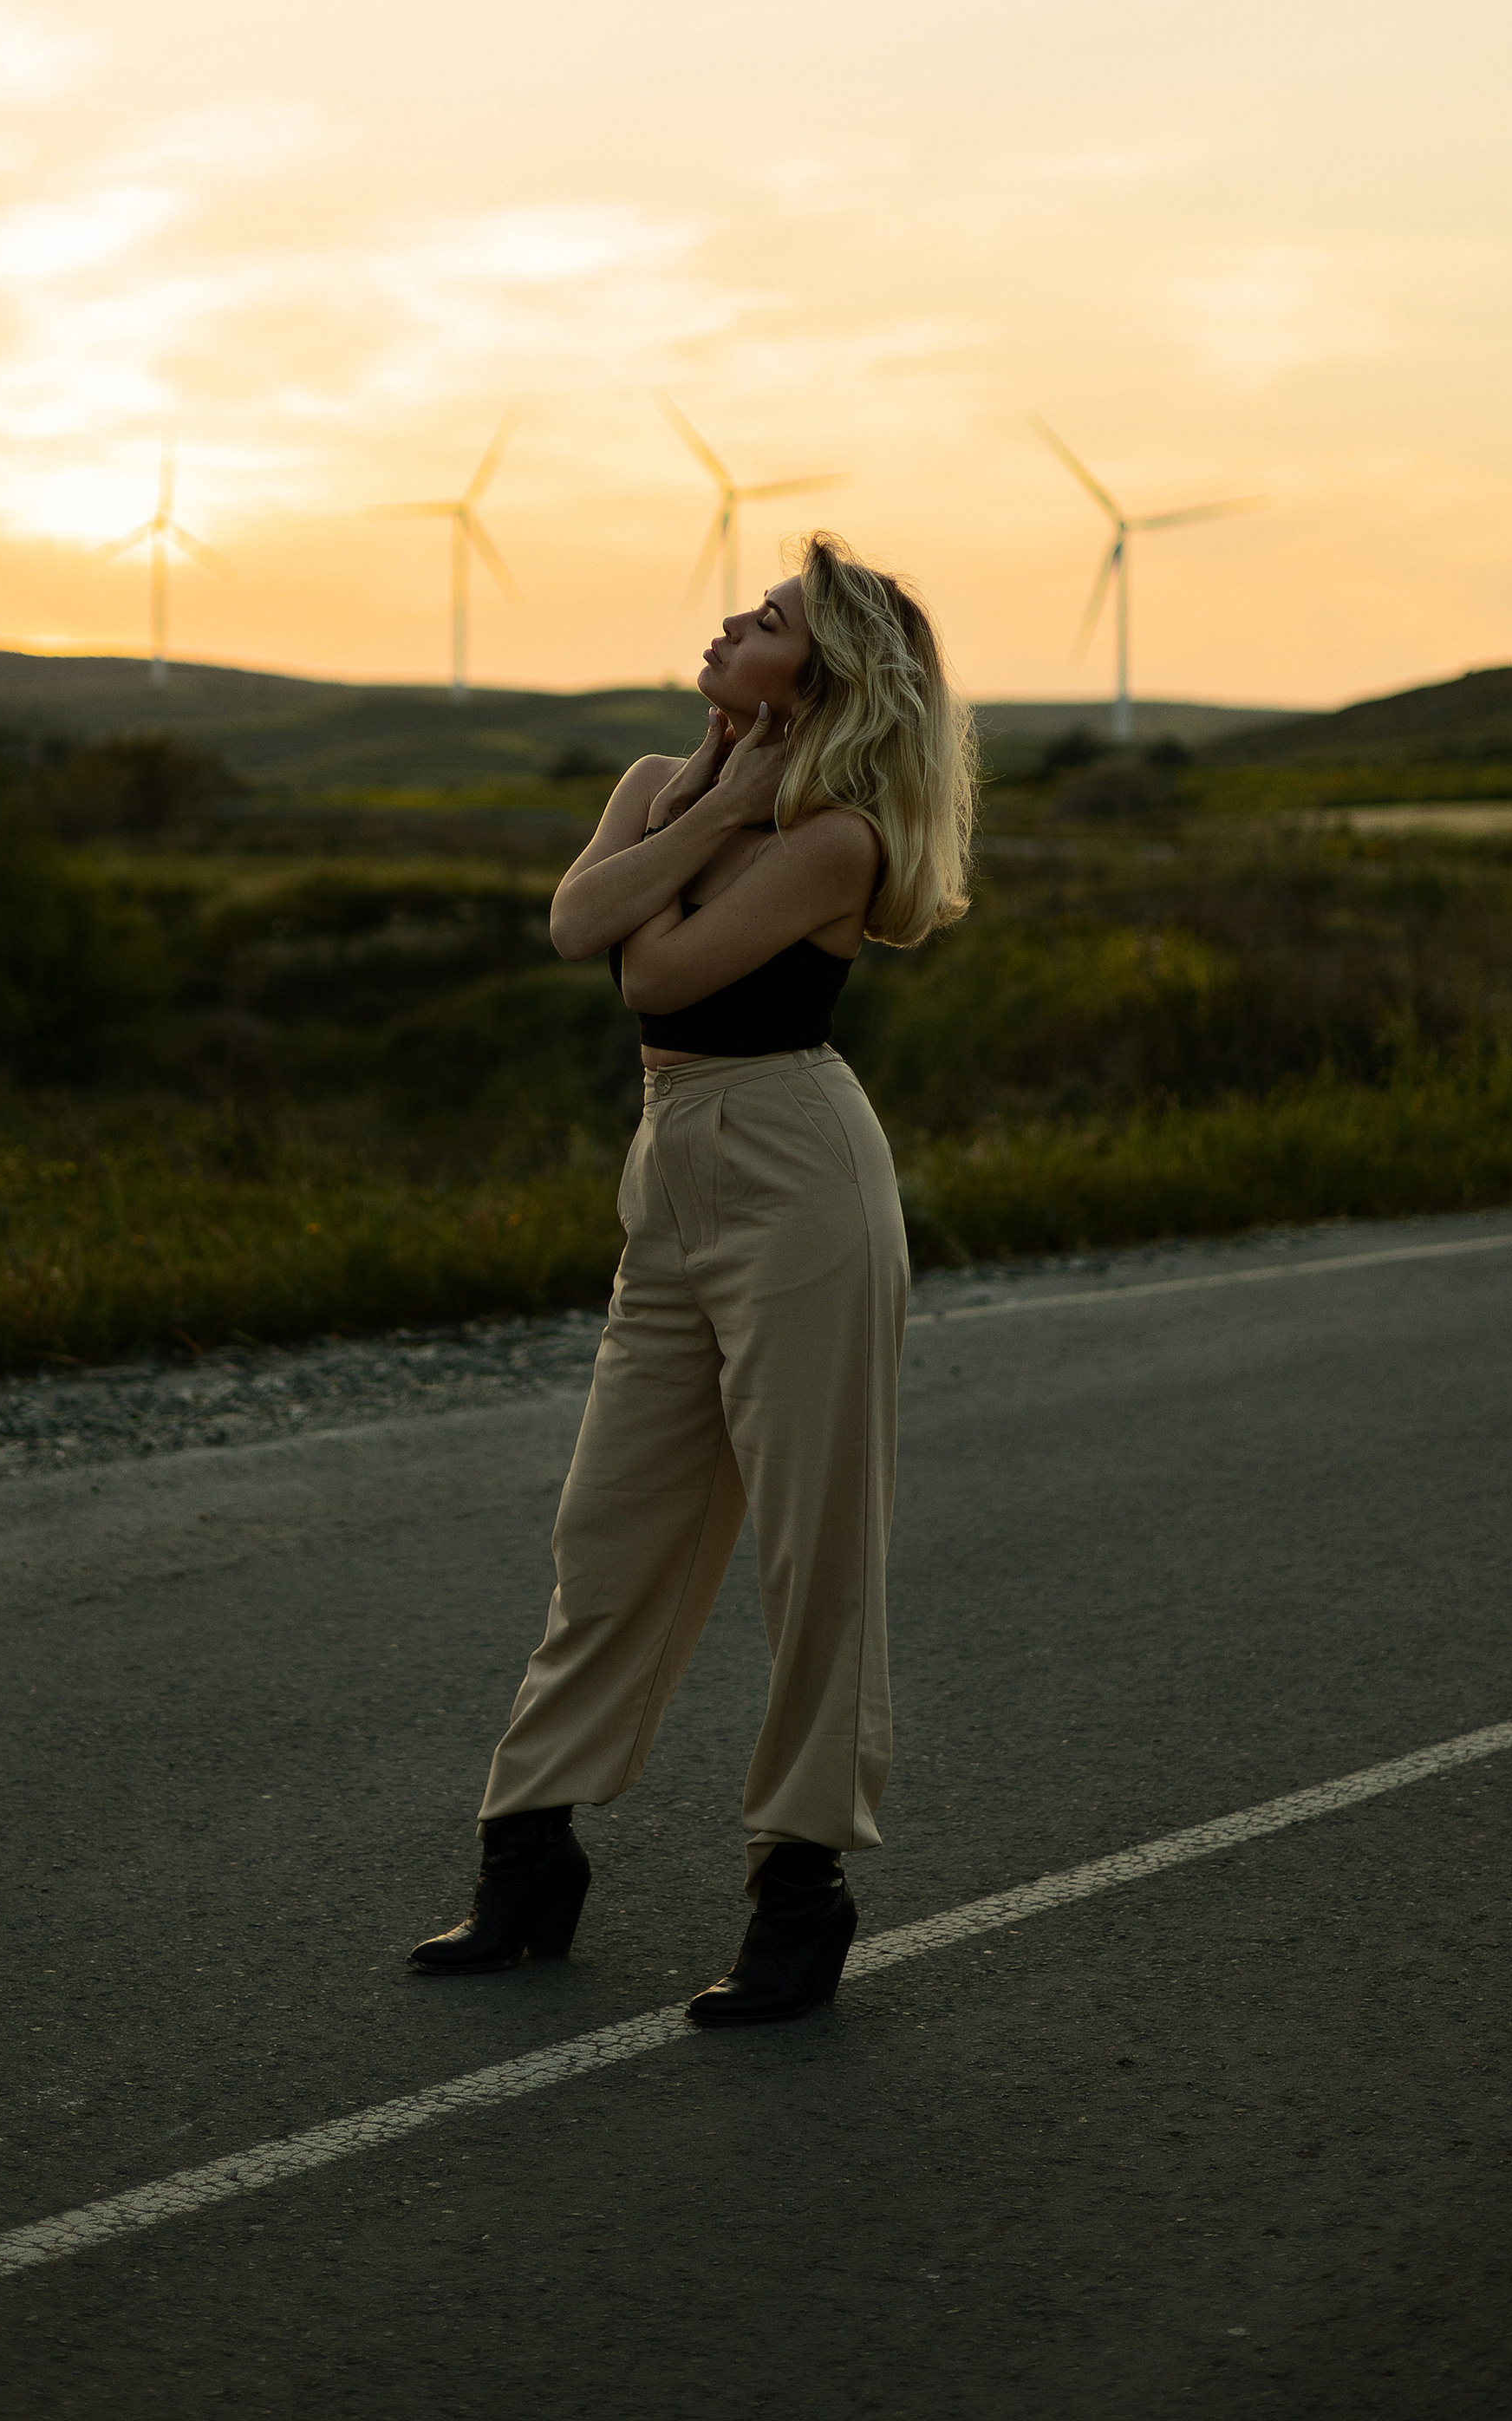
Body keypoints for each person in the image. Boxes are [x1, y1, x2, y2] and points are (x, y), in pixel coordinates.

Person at [408, 531, 973, 2023]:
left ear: (822, 677)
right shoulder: (662, 781)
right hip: (668, 1166)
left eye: (767, 619)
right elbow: (572, 925)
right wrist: (710, 801)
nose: (729, 623)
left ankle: (802, 1887)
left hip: (798, 1168)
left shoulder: (839, 837)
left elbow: (651, 971)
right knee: (610, 1527)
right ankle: (529, 1854)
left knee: (813, 1547)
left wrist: (705, 826)